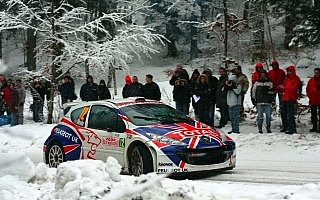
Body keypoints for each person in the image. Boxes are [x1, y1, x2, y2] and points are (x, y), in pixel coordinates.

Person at [278, 66, 301, 134]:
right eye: (288, 71)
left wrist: (285, 87)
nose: (289, 72)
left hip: (291, 98)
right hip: (285, 97)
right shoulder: (286, 78)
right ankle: (286, 126)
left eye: (290, 71)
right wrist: (280, 88)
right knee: (283, 113)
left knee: (290, 114)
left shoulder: (296, 79)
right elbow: (284, 87)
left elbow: (294, 88)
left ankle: (292, 128)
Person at [306, 68, 320, 133]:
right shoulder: (311, 80)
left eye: (317, 72)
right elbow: (308, 89)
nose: (316, 74)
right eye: (315, 72)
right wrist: (310, 96)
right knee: (313, 115)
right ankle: (314, 127)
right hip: (313, 99)